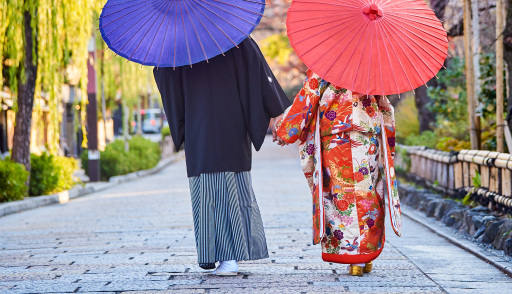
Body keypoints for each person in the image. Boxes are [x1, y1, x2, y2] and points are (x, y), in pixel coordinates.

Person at [154, 36, 290, 276]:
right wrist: (276, 112)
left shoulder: (179, 45)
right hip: (232, 123)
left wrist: (163, 61)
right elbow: (259, 74)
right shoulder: (234, 39)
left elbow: (166, 79)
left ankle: (224, 256)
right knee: (232, 186)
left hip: (200, 127)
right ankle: (227, 256)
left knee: (207, 189)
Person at [272, 70, 401, 276]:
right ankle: (366, 254)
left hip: (335, 137)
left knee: (341, 194)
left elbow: (309, 96)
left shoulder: (327, 62)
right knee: (367, 192)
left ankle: (352, 256)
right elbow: (384, 104)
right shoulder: (372, 62)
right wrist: (388, 138)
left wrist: (285, 130)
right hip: (367, 134)